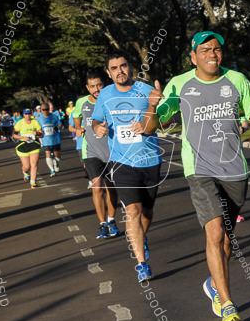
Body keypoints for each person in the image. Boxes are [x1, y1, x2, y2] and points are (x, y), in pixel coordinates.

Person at [145, 31, 250, 321]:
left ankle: (214, 285)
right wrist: (153, 104)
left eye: (216, 49)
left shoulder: (238, 80)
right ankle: (227, 303)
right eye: (205, 50)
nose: (212, 54)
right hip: (199, 169)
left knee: (227, 238)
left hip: (234, 169)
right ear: (193, 56)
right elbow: (153, 126)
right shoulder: (179, 84)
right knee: (214, 232)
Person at [91, 52, 162, 283]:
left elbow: (161, 120)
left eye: (123, 66)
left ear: (130, 67)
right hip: (121, 162)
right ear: (108, 72)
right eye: (114, 68)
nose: (120, 71)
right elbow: (96, 119)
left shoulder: (145, 90)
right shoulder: (105, 95)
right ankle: (142, 264)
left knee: (148, 212)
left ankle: (141, 238)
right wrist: (97, 129)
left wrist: (150, 117)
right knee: (132, 211)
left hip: (149, 159)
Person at [72, 70, 120, 239]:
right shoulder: (81, 103)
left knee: (111, 189)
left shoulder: (111, 100)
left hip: (112, 152)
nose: (96, 89)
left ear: (104, 84)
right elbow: (76, 116)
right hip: (91, 152)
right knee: (97, 186)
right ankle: (103, 224)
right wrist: (78, 129)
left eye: (99, 84)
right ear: (87, 87)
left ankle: (112, 220)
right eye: (92, 86)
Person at [13, 108, 43, 188]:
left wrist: (37, 133)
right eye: (26, 114)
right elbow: (14, 135)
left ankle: (33, 182)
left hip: (34, 145)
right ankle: (25, 172)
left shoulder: (35, 122)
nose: (27, 115)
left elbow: (41, 134)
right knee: (27, 166)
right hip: (23, 145)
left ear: (31, 114)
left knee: (34, 164)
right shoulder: (20, 123)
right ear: (23, 115)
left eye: (29, 114)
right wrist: (23, 137)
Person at [35, 103, 63, 177]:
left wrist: (57, 128)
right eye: (43, 110)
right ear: (41, 110)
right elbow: (37, 128)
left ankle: (56, 162)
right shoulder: (39, 118)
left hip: (55, 139)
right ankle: (52, 170)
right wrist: (38, 133)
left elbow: (60, 124)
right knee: (48, 155)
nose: (45, 111)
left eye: (47, 109)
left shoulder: (54, 116)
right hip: (46, 140)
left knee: (58, 157)